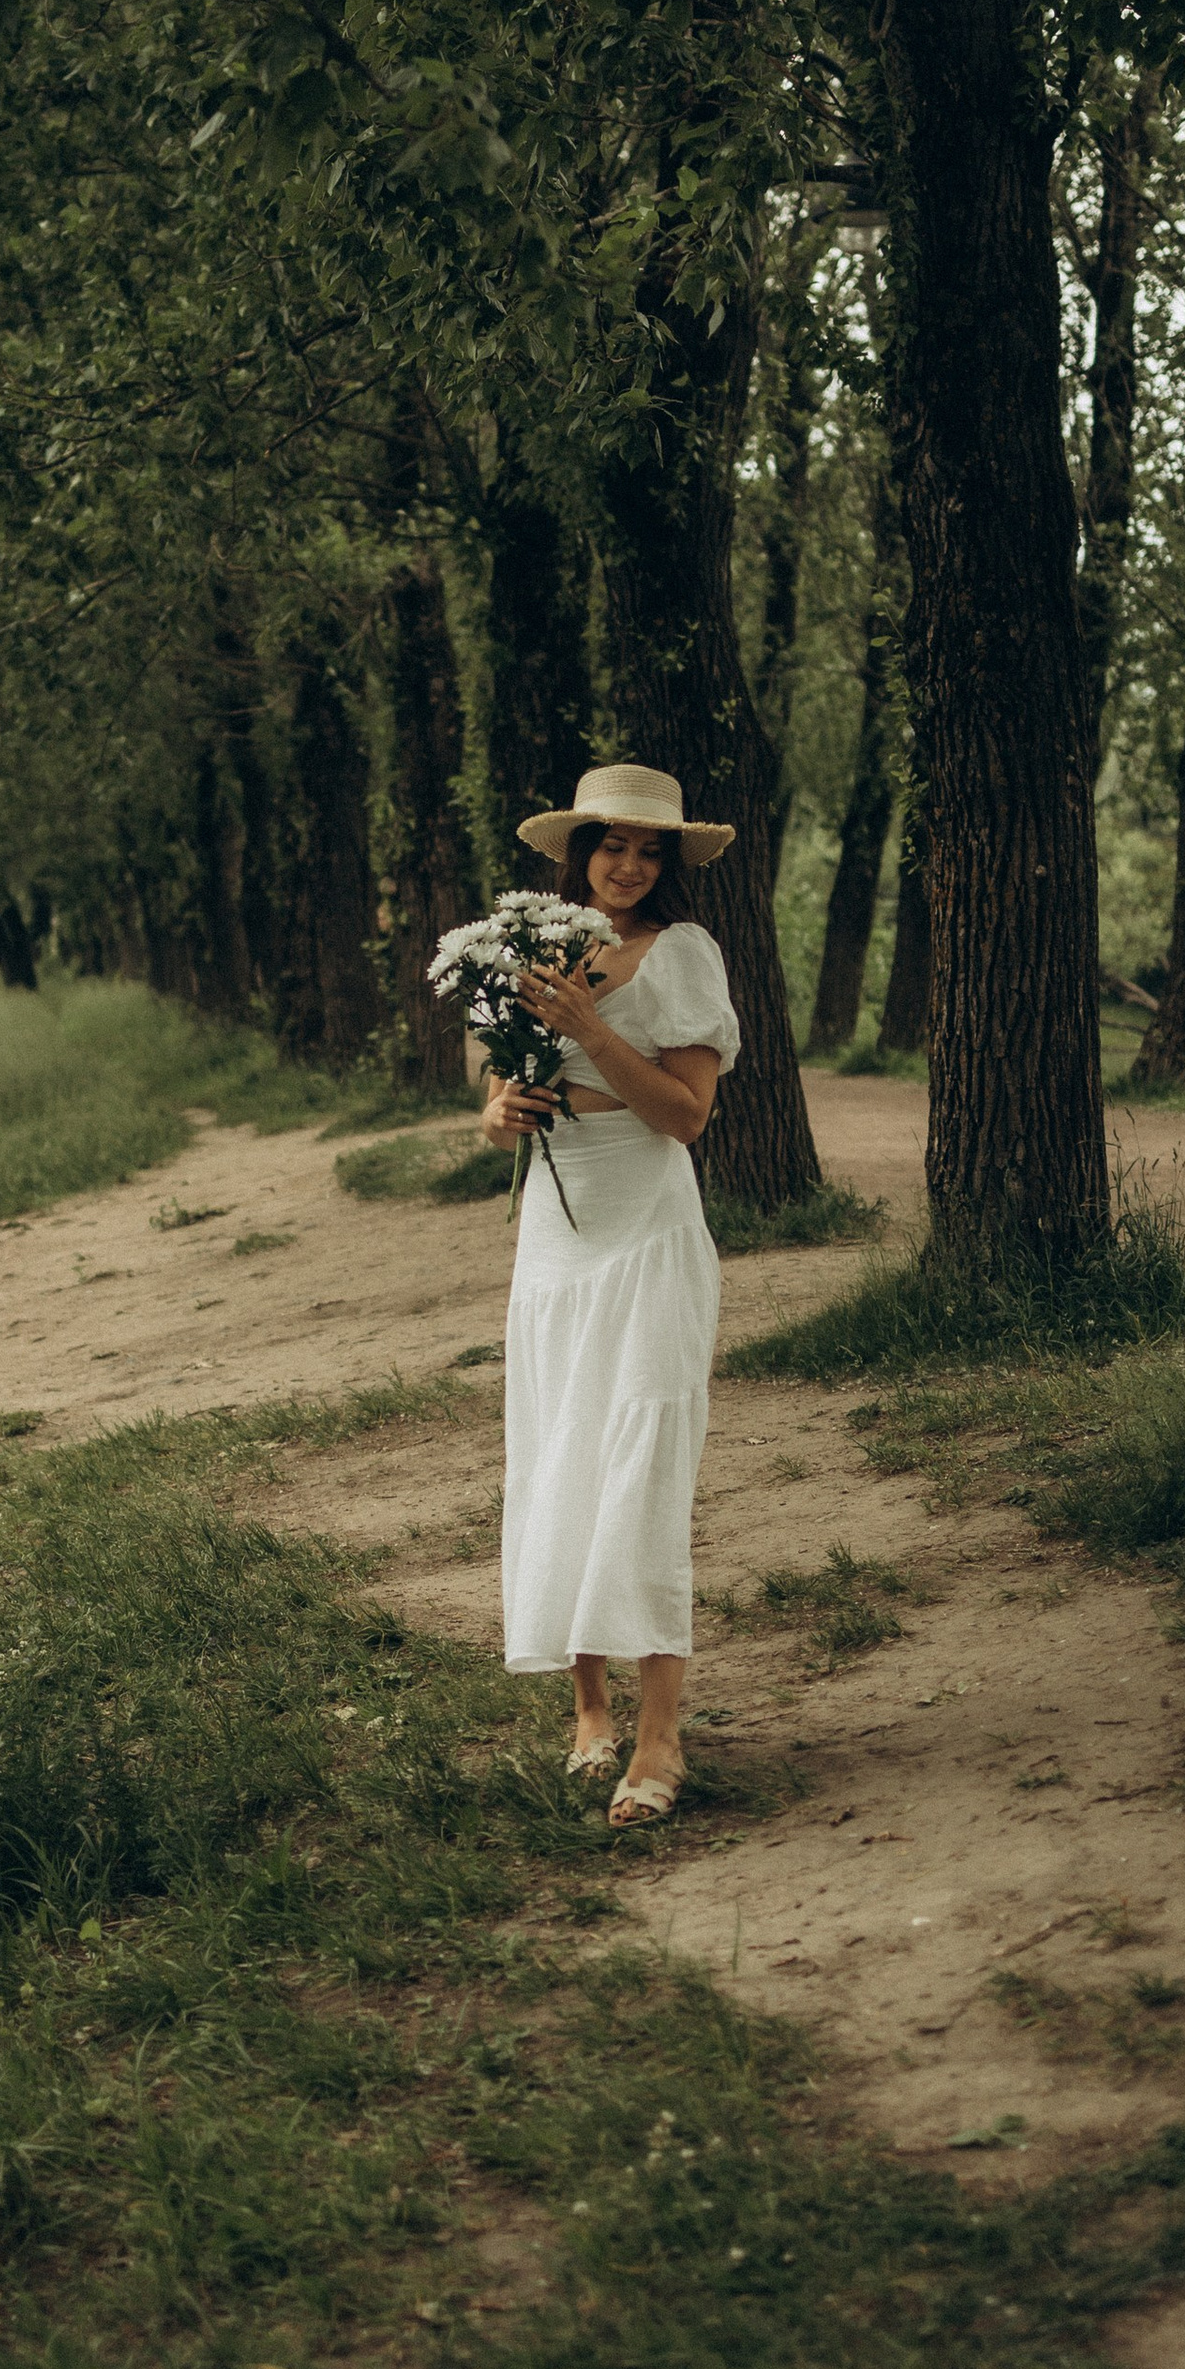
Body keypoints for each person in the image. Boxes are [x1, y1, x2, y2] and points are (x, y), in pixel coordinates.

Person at [481, 763, 741, 1828]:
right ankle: (587, 1711)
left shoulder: (681, 956)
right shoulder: (526, 947)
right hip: (553, 1240)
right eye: (610, 847)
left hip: (646, 1231)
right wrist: (496, 1116)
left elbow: (685, 1117)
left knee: (639, 1458)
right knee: (561, 1451)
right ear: (574, 852)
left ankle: (659, 1733)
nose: (628, 867)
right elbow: (490, 1089)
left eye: (648, 852)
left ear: (667, 863)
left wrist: (591, 1030)